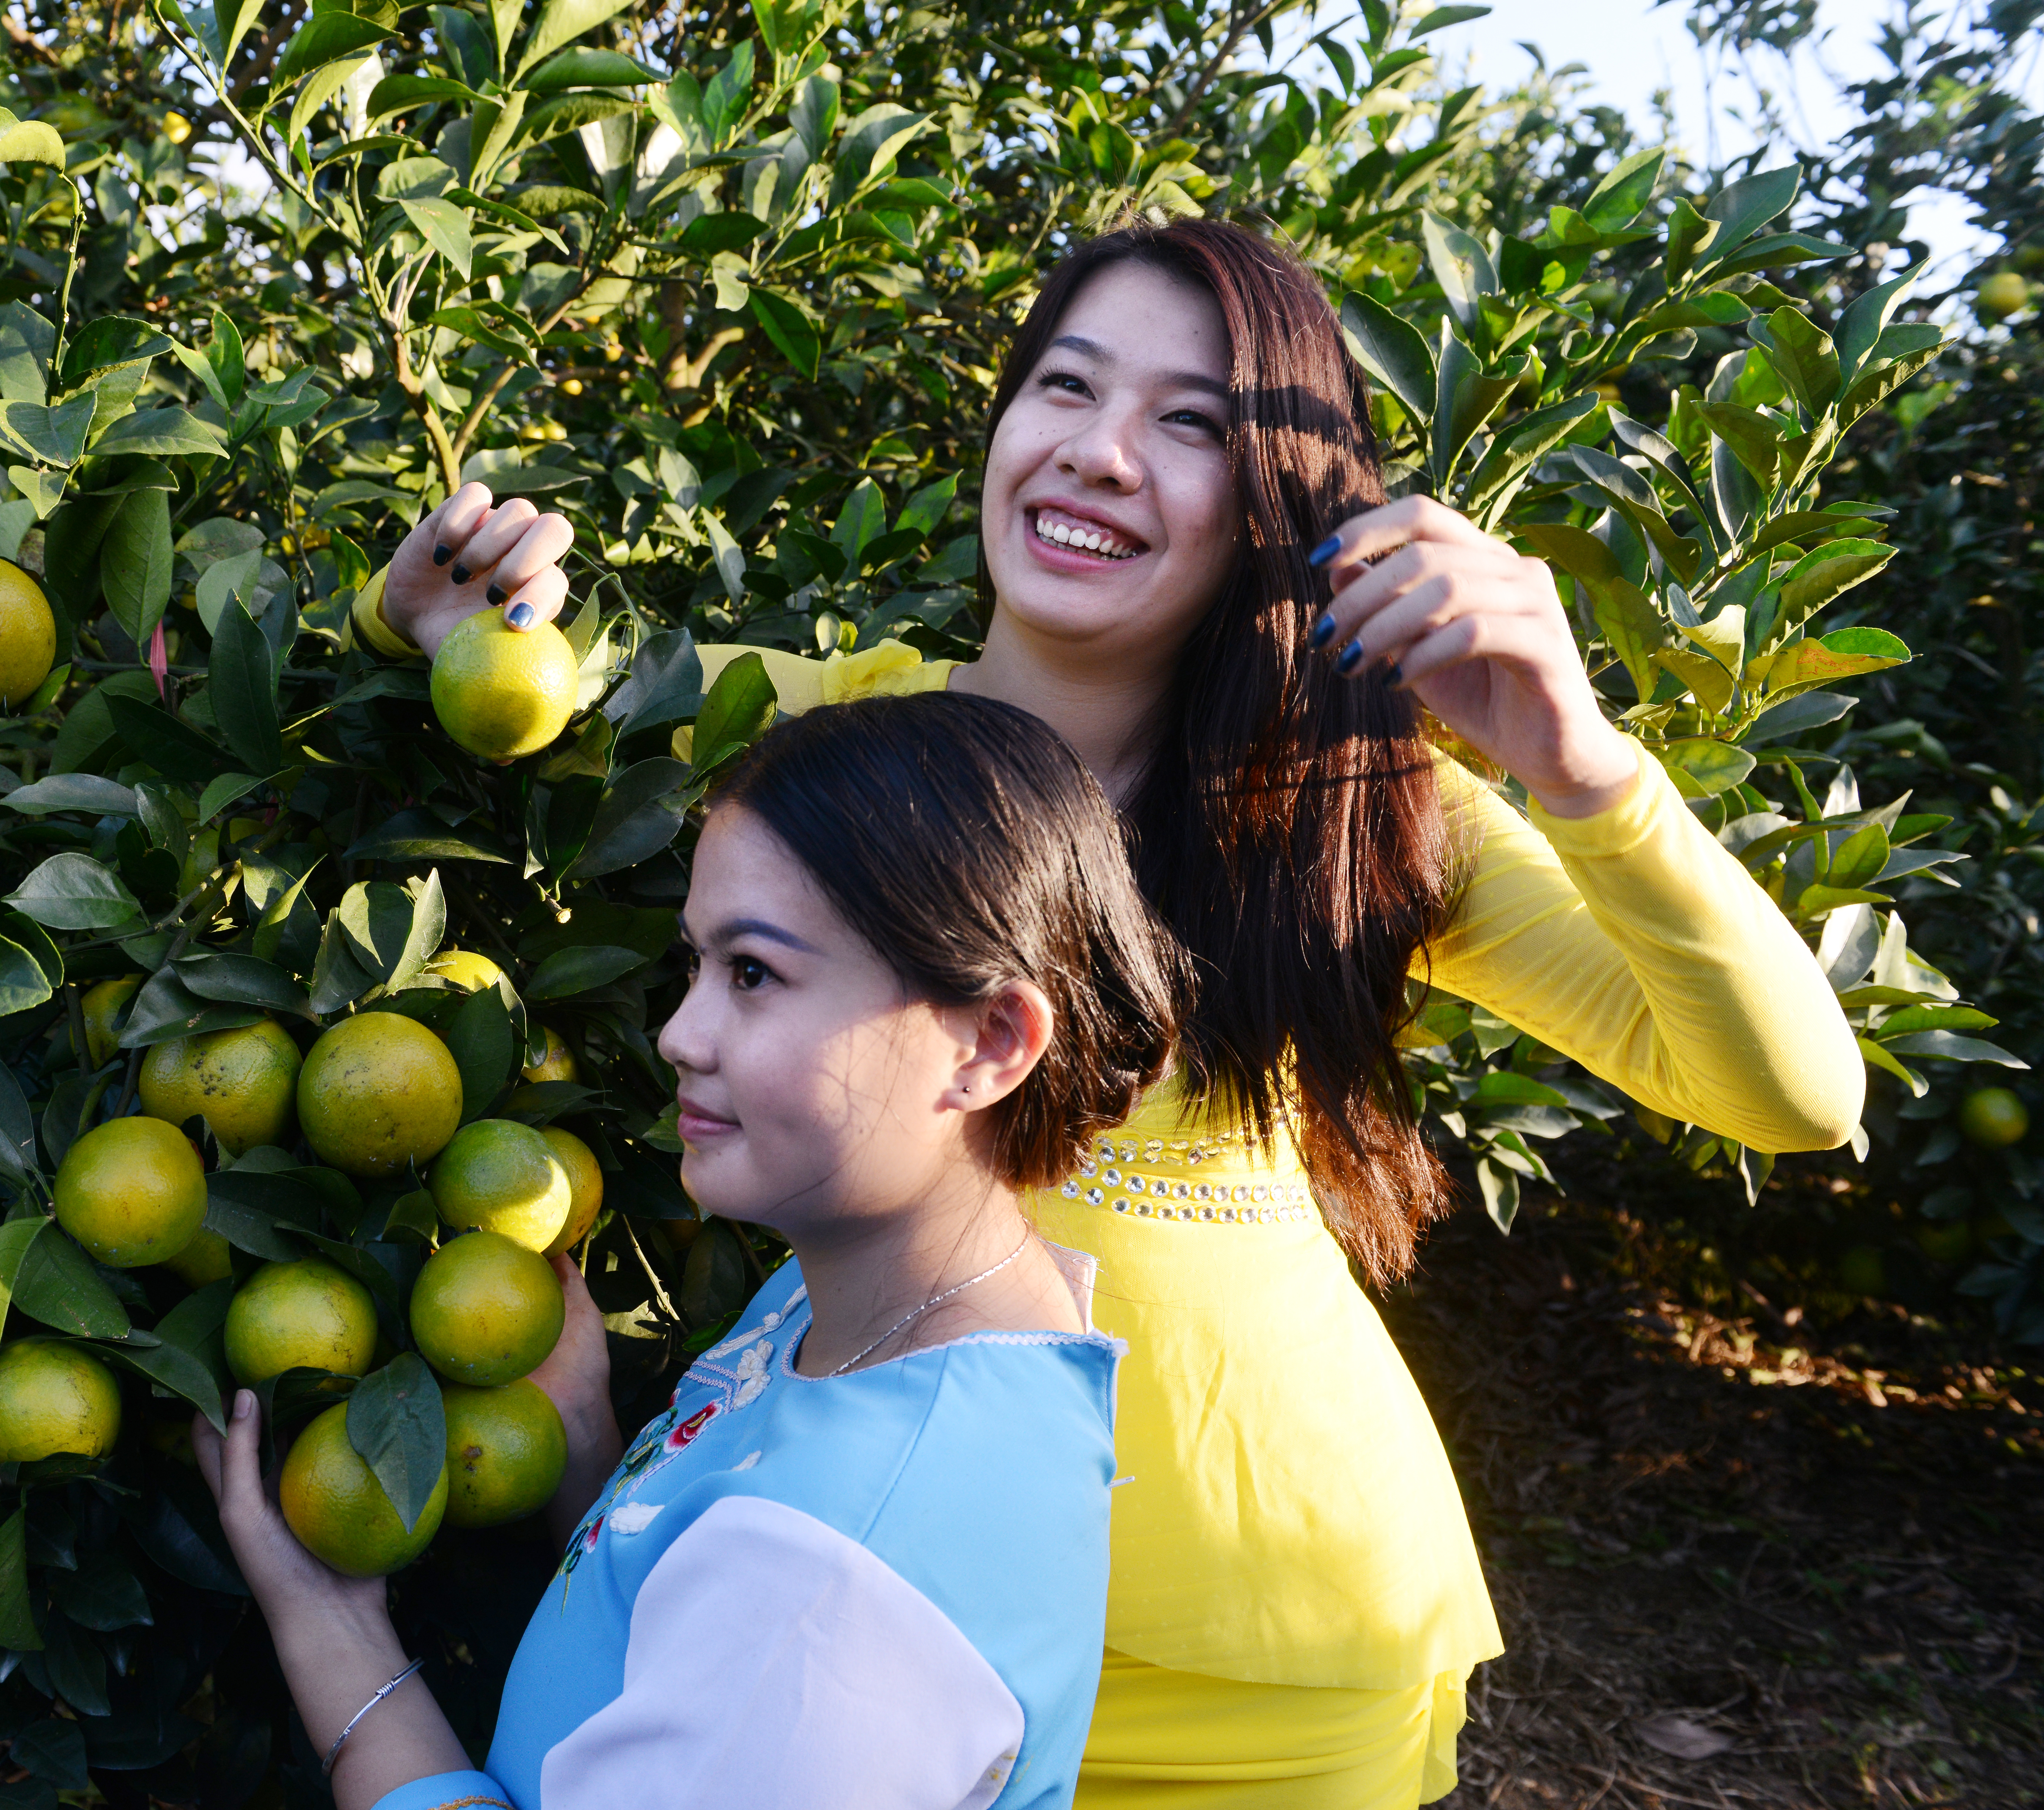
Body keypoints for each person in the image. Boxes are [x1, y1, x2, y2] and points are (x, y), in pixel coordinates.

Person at [366, 216, 1867, 1807]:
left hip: (1264, 1654)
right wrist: (448, 622)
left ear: (1272, 506)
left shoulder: (1350, 811)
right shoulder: (840, 736)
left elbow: (1793, 1094)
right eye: (1064, 387)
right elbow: (548, 699)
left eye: (1189, 425)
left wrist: (1580, 768)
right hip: (887, 1595)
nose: (1097, 453)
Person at [197, 691, 1186, 1810]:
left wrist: (328, 1630)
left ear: (988, 1043)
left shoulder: (838, 1588)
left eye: (754, 973)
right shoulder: (858, 1303)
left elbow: (770, 1628)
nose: (679, 1033)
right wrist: (586, 1446)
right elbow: (692, 1644)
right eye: (697, 966)